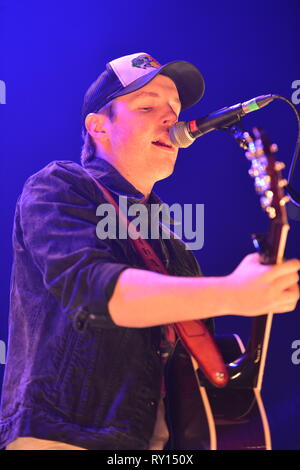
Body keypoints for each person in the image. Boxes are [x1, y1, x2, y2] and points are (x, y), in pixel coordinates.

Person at [0, 52, 299, 451]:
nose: (170, 119)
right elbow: (95, 291)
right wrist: (233, 292)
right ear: (98, 128)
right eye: (147, 106)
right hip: (65, 435)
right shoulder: (58, 186)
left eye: (174, 110)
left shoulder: (172, 242)